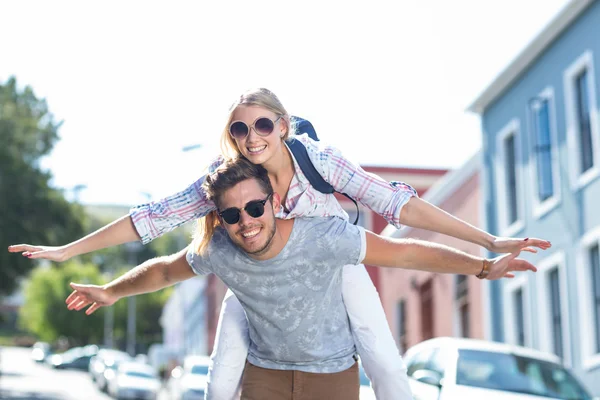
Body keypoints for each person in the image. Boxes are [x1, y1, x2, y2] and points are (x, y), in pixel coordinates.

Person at [9, 88, 551, 399]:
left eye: (263, 124)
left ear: (284, 125)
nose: (252, 137)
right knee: (221, 376)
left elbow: (400, 209)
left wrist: (488, 244)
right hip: (258, 279)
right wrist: (66, 253)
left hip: (331, 264)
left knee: (385, 361)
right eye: (240, 130)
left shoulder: (319, 160)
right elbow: (150, 223)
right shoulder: (228, 186)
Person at [65, 157, 538, 400]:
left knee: (386, 361)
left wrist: (481, 264)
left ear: (273, 201)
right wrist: (109, 291)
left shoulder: (323, 235)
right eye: (232, 214)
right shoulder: (221, 250)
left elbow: (404, 251)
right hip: (266, 378)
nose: (246, 221)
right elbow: (166, 268)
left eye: (254, 207)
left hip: (330, 378)